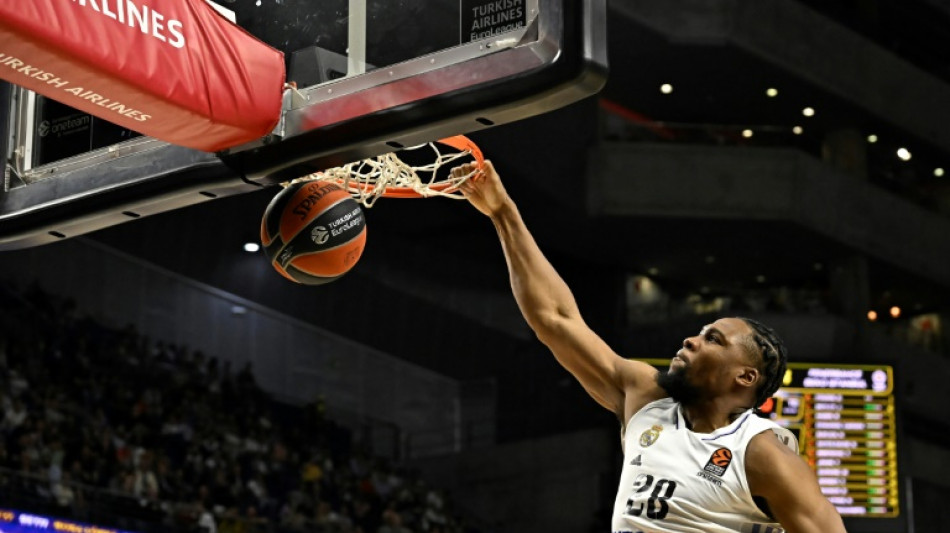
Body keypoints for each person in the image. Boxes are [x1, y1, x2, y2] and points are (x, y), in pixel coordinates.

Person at [453, 161, 847, 533]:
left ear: (744, 376)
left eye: (713, 339)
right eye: (700, 331)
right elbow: (555, 319)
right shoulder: (644, 396)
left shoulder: (762, 454)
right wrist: (503, 213)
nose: (691, 339)